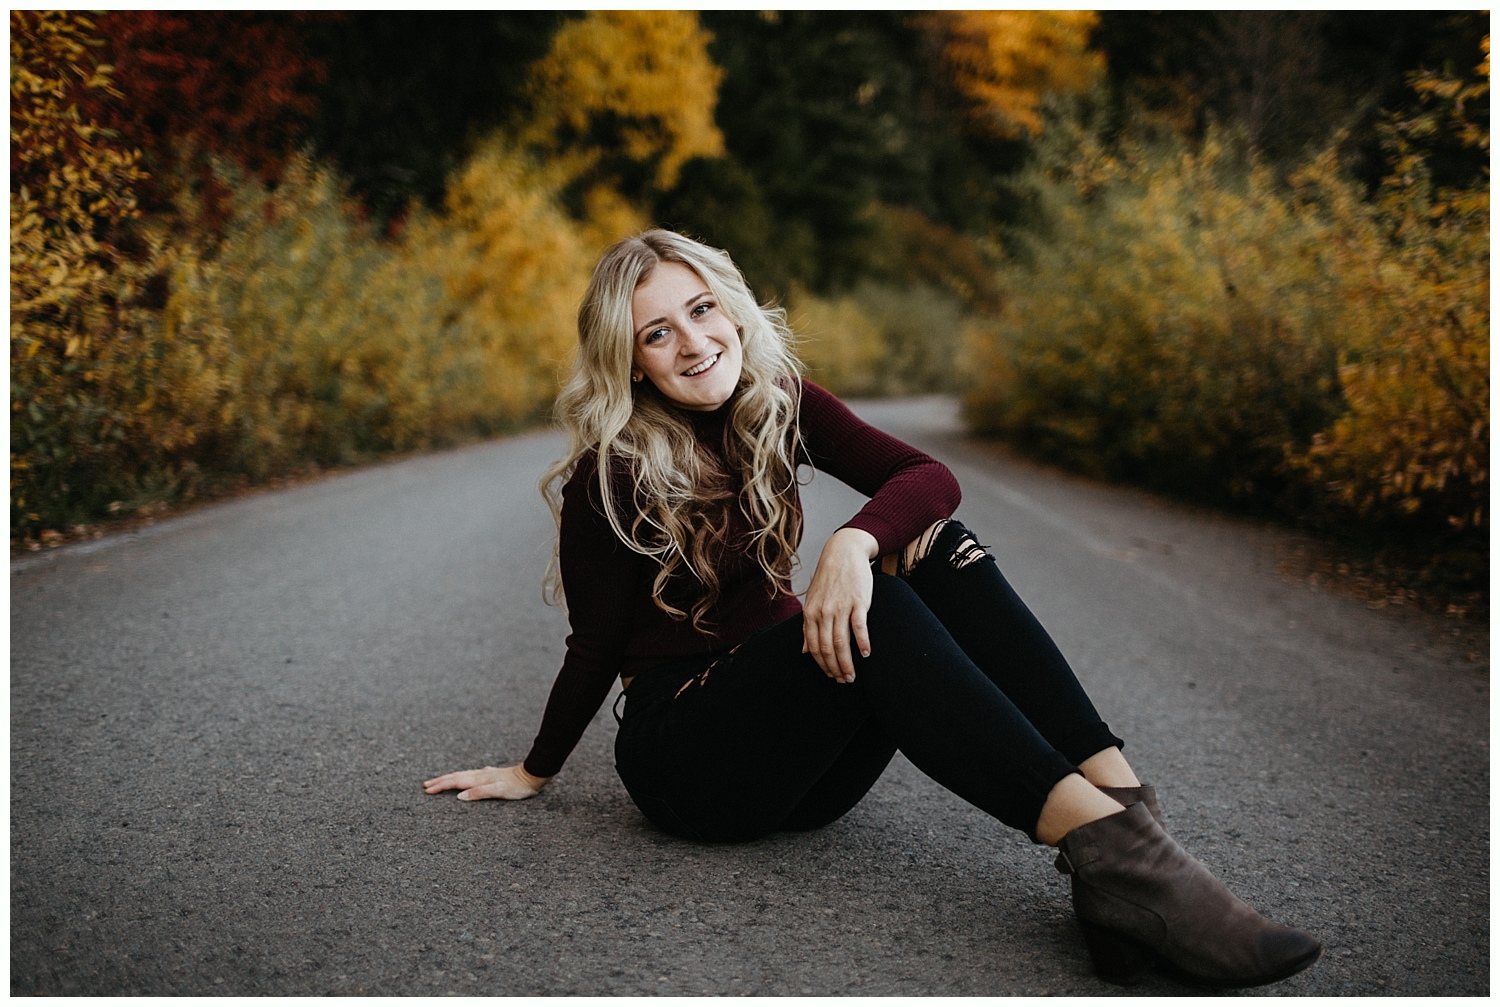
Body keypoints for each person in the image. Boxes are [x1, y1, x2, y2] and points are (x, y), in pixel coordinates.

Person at [424, 229, 1322, 988]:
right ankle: (1123, 862)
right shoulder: (611, 471)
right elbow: (596, 643)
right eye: (656, 333)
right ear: (631, 360)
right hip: (690, 760)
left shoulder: (778, 404)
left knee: (927, 543)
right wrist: (533, 770)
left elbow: (927, 478)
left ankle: (1127, 822)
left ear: (731, 307)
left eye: (701, 310)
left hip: (804, 766)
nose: (693, 343)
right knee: (881, 609)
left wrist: (852, 544)